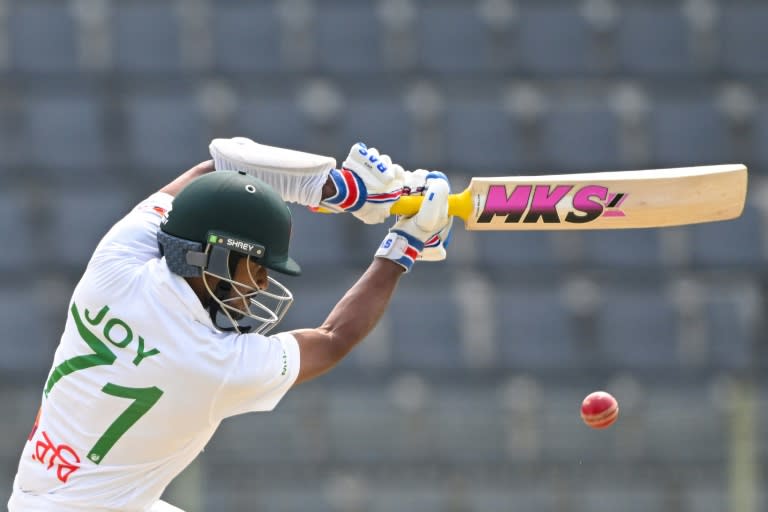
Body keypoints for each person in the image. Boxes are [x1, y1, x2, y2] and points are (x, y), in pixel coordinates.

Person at [8, 139, 452, 511]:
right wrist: (405, 243)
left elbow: (212, 173)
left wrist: (339, 189)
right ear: (214, 257)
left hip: (41, 497)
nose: (262, 281)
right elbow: (334, 339)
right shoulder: (211, 363)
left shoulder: (116, 260)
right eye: (258, 265)